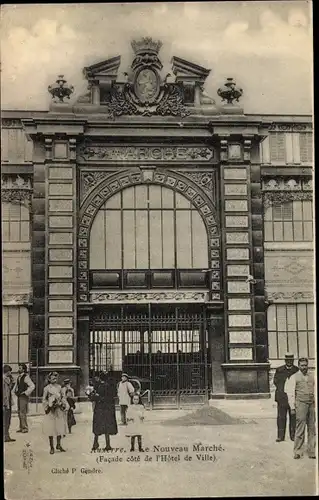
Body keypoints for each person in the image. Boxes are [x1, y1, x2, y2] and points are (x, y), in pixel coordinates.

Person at [285, 357, 316, 459]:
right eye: (302, 365)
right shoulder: (294, 377)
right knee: (300, 428)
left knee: (312, 428)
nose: (304, 367)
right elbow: (290, 393)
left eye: (305, 365)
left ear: (308, 365)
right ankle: (298, 451)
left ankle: (311, 451)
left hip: (311, 404)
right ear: (298, 366)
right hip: (301, 404)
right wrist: (292, 407)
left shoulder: (312, 376)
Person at [88, 371, 118, 452]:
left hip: (99, 409)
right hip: (107, 409)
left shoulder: (97, 386)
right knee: (107, 426)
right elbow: (111, 398)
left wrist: (94, 396)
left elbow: (94, 397)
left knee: (98, 425)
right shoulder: (110, 386)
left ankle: (95, 443)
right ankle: (107, 444)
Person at [273, 353, 298, 442]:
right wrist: (282, 390)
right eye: (287, 360)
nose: (289, 362)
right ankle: (280, 436)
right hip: (282, 397)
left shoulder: (296, 370)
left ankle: (293, 435)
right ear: (285, 360)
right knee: (281, 417)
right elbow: (275, 381)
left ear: (293, 360)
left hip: (293, 397)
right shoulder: (279, 370)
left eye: (291, 360)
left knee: (293, 417)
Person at [42, 372, 68, 454]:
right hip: (51, 411)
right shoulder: (46, 388)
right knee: (51, 428)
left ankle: (58, 444)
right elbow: (44, 399)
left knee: (59, 427)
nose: (55, 380)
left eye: (56, 378)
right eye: (53, 378)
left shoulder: (60, 387)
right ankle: (52, 447)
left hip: (58, 410)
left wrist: (62, 404)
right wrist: (48, 406)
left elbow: (63, 397)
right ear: (49, 379)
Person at [13, 363, 35, 433]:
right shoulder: (19, 377)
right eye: (19, 368)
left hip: (23, 397)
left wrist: (26, 392)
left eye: (20, 368)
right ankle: (21, 427)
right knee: (20, 412)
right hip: (19, 396)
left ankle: (25, 428)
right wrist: (14, 391)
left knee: (23, 412)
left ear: (23, 369)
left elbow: (32, 386)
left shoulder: (26, 377)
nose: (18, 369)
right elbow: (16, 386)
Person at [3, 365, 16, 443]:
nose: (11, 373)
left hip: (8, 402)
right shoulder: (4, 379)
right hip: (5, 403)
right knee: (5, 420)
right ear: (7, 371)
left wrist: (12, 379)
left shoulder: (7, 379)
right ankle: (5, 436)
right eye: (10, 371)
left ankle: (7, 436)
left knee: (8, 420)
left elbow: (11, 387)